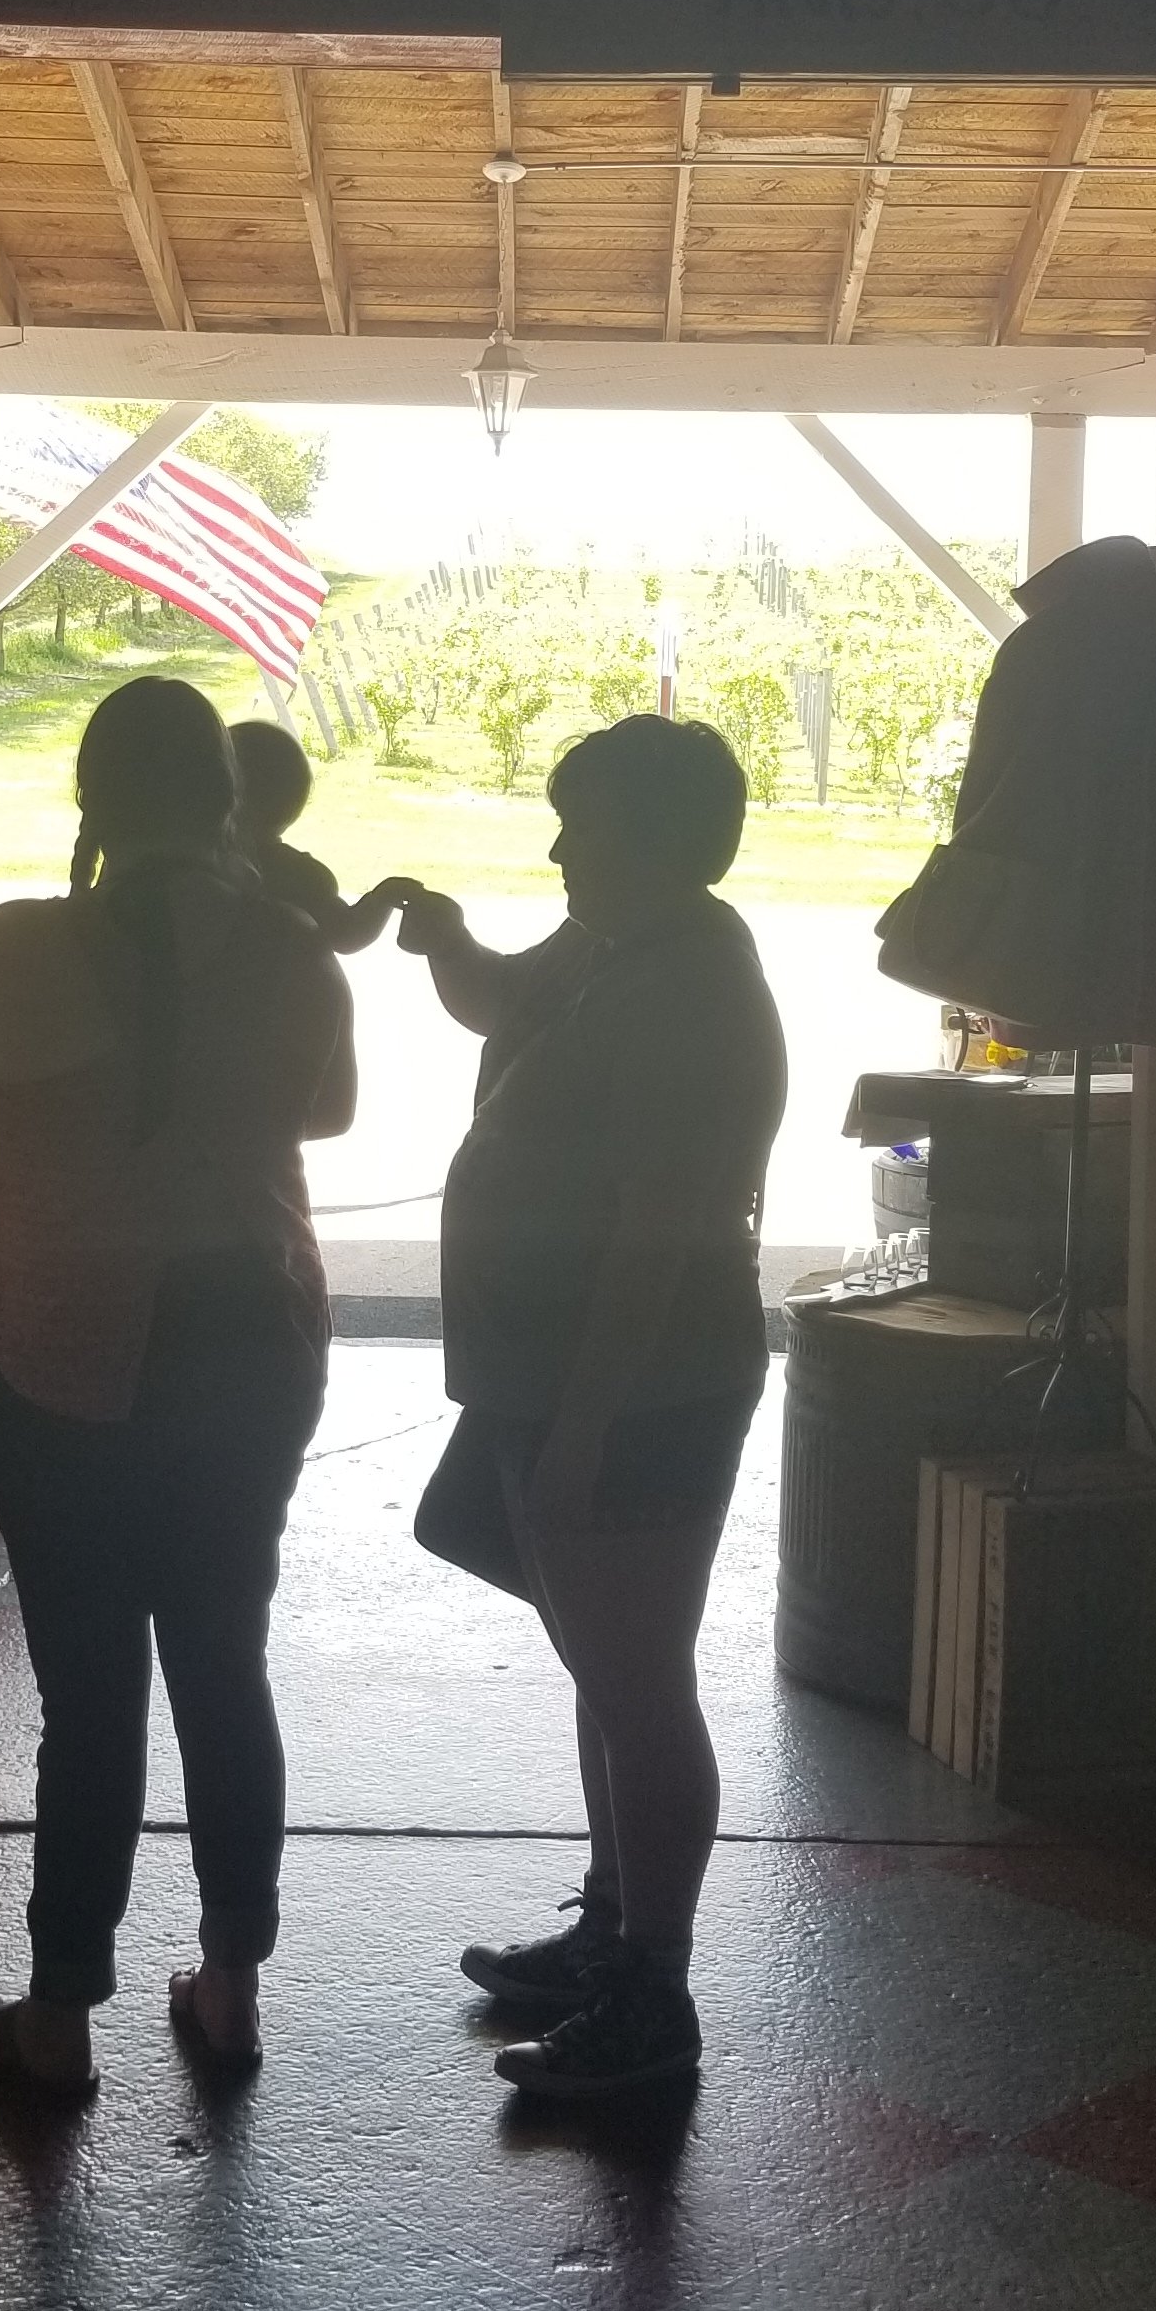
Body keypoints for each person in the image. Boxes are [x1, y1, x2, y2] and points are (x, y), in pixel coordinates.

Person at [0, 676, 356, 2093]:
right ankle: (228, 1987)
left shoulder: (27, 940)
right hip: (250, 1331)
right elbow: (327, 1110)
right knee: (225, 1661)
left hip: (69, 1336)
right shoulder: (296, 948)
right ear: (228, 803)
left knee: (92, 1690)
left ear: (92, 797)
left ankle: (57, 2021)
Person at [393, 715, 785, 2099]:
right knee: (602, 1672)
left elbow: (662, 1235)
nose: (559, 847)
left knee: (638, 1683)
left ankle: (650, 2001)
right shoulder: (622, 946)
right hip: (560, 1381)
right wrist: (439, 934)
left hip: (638, 1390)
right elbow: (500, 995)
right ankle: (611, 1927)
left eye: (584, 825)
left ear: (662, 843)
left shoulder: (689, 984)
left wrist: (587, 1426)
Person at [229, 716, 409, 952]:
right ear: (294, 802)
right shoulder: (298, 875)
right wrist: (384, 897)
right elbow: (347, 934)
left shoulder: (200, 862)